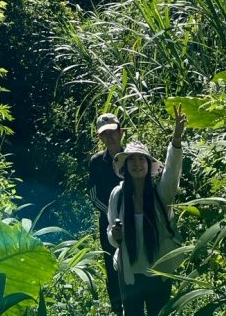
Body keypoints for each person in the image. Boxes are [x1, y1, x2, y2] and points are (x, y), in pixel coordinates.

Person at [107, 107, 188, 316]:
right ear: (125, 166)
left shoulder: (161, 194)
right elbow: (112, 235)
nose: (136, 164)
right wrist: (115, 235)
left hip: (159, 271)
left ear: (148, 164)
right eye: (131, 160)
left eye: (141, 159)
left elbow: (172, 171)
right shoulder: (118, 195)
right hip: (130, 272)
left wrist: (176, 138)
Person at [88, 113, 125, 315]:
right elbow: (93, 195)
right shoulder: (96, 162)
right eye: (105, 134)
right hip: (108, 224)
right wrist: (112, 214)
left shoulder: (132, 156)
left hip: (136, 218)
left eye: (113, 132)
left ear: (121, 132)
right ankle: (118, 309)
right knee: (112, 266)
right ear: (100, 137)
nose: (110, 137)